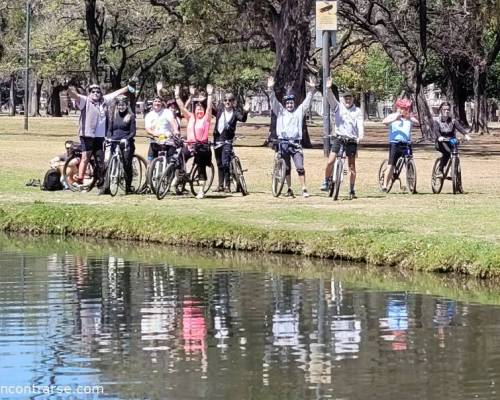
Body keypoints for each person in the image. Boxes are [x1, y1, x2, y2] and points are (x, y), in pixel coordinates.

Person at [67, 81, 135, 192]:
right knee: (86, 156)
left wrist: (127, 87)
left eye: (98, 92)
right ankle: (80, 179)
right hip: (87, 134)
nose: (96, 93)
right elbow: (75, 96)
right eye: (93, 92)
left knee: (101, 160)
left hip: (100, 137)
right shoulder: (86, 101)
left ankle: (102, 185)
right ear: (89, 93)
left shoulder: (104, 101)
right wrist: (68, 90)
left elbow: (116, 93)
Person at [267, 75, 317, 198]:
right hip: (283, 143)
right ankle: (289, 188)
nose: (289, 104)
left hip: (295, 144)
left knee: (300, 167)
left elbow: (307, 102)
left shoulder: (299, 111)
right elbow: (273, 100)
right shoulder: (280, 111)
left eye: (291, 102)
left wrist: (311, 90)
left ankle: (304, 188)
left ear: (294, 103)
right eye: (287, 103)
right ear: (285, 104)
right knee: (287, 168)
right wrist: (270, 88)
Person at [320, 78, 364, 199]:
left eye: (350, 98)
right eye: (346, 98)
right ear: (343, 99)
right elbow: (330, 99)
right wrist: (328, 89)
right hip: (339, 138)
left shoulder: (357, 111)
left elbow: (360, 124)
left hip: (351, 140)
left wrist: (360, 136)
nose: (348, 100)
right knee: (330, 161)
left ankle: (351, 189)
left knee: (351, 167)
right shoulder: (338, 107)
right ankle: (326, 180)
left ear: (353, 99)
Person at [175, 83, 214, 199]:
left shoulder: (206, 119)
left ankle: (201, 191)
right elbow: (182, 108)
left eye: (201, 109)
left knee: (201, 166)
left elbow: (210, 107)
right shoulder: (191, 117)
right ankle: (180, 177)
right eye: (197, 109)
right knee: (179, 158)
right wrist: (177, 96)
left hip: (201, 146)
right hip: (190, 145)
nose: (199, 111)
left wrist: (210, 94)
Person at [213, 92, 250, 192]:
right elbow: (210, 109)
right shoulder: (220, 110)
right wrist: (207, 96)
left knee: (225, 163)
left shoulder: (235, 112)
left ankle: (227, 186)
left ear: (233, 102)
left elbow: (243, 119)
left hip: (227, 141)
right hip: (217, 140)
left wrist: (246, 111)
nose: (227, 102)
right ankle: (220, 185)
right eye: (225, 100)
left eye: (230, 100)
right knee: (219, 163)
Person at [381, 98, 420, 192]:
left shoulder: (409, 118)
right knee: (391, 165)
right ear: (398, 108)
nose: (405, 110)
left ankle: (411, 185)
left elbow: (418, 123)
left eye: (407, 108)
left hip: (406, 144)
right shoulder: (393, 116)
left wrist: (410, 118)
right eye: (403, 108)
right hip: (395, 143)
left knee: (409, 163)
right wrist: (395, 118)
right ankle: (385, 185)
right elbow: (384, 122)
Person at [106, 95, 136, 194]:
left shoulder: (130, 116)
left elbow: (133, 132)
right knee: (108, 162)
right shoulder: (113, 115)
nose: (121, 107)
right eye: (119, 105)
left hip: (126, 143)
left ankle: (128, 187)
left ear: (127, 105)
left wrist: (126, 139)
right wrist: (108, 137)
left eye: (123, 105)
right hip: (114, 142)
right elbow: (110, 130)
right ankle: (106, 186)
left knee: (126, 164)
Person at [432, 101, 470, 177]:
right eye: (444, 109)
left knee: (455, 154)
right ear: (441, 110)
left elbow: (459, 128)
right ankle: (440, 170)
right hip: (441, 142)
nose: (446, 111)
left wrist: (466, 135)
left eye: (448, 109)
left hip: (451, 140)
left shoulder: (453, 120)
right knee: (447, 153)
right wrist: (439, 137)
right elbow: (436, 130)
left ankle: (452, 171)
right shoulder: (437, 120)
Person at [144, 96, 179, 162]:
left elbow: (172, 122)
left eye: (159, 101)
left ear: (162, 103)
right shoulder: (149, 115)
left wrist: (175, 130)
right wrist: (155, 133)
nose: (157, 103)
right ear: (153, 103)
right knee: (149, 162)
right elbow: (147, 129)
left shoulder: (167, 112)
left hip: (168, 141)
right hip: (155, 141)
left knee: (171, 162)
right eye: (155, 101)